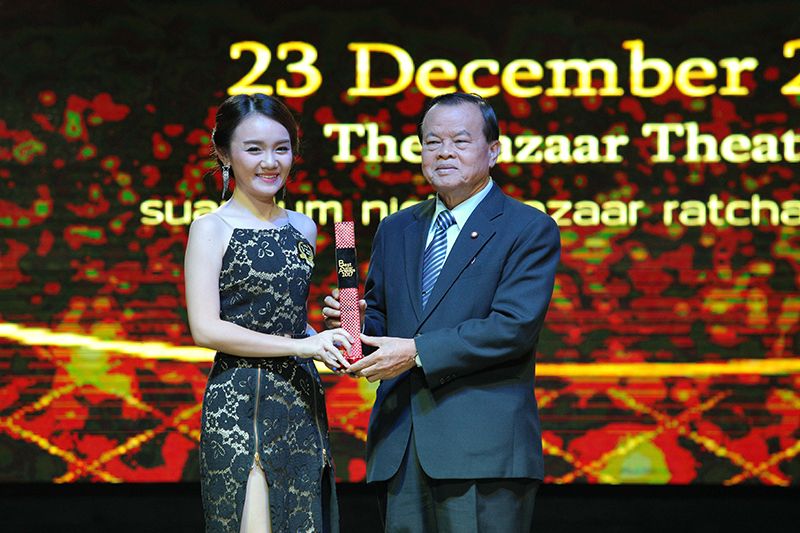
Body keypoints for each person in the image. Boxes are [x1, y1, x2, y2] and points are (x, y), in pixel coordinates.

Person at [323, 92, 560, 531]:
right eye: (432, 142)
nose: (444, 152)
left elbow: (512, 328)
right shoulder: (397, 228)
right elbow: (383, 318)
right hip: (400, 447)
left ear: (494, 151)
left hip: (482, 451)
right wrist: (352, 325)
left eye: (460, 141)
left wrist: (415, 352)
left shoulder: (527, 227)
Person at [185, 93, 352, 533]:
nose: (270, 162)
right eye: (254, 149)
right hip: (241, 403)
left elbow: (288, 320)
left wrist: (330, 334)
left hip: (300, 401)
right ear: (224, 154)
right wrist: (304, 346)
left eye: (282, 148)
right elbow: (206, 329)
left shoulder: (303, 227)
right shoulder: (210, 228)